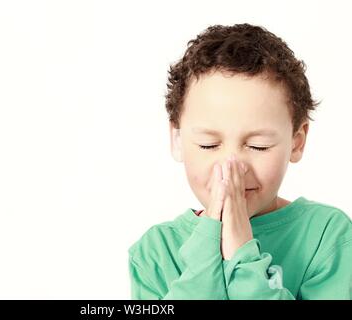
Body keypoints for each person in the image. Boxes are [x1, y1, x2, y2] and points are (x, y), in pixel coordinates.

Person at [128, 23, 352, 300]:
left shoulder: (326, 236)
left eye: (259, 146)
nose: (231, 169)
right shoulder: (154, 253)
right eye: (208, 144)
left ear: (297, 141)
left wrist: (242, 253)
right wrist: (208, 245)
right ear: (177, 139)